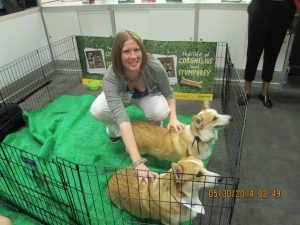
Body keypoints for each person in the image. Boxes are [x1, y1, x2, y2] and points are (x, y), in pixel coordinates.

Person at [90, 30, 185, 183]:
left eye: (136, 50)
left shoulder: (154, 66)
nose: (133, 56)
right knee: (97, 110)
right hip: (122, 96)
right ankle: (113, 130)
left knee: (161, 112)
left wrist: (173, 117)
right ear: (117, 55)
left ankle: (154, 130)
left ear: (142, 50)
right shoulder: (111, 76)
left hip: (146, 96)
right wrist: (138, 162)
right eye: (126, 51)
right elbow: (122, 118)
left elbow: (169, 94)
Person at [239, 0, 300, 108]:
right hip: (261, 6)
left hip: (285, 8)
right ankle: (247, 91)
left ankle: (264, 92)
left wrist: (297, 14)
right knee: (253, 51)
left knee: (273, 52)